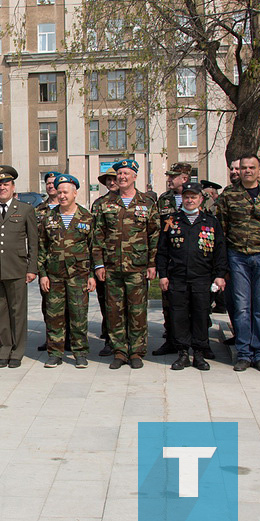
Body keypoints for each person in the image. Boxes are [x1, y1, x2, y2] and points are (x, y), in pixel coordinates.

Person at [91, 158, 159, 369]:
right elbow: (97, 236)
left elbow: (154, 235)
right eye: (119, 174)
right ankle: (119, 351)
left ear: (135, 177)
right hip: (111, 267)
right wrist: (99, 265)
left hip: (137, 267)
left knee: (137, 311)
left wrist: (152, 264)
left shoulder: (147, 203)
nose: (121, 177)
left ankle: (137, 352)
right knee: (114, 311)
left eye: (126, 174)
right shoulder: (104, 204)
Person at [216, 155, 260, 372]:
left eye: (251, 167)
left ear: (259, 169)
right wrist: (223, 265)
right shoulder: (229, 195)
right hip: (238, 257)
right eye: (243, 167)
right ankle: (244, 353)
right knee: (242, 307)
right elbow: (221, 231)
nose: (247, 171)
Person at [157, 182, 227, 371]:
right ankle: (183, 353)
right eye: (187, 197)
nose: (190, 200)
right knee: (179, 315)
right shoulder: (171, 221)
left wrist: (220, 275)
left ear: (200, 199)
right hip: (177, 277)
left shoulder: (211, 222)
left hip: (202, 277)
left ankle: (199, 352)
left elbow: (220, 251)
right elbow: (162, 250)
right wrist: (162, 275)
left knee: (200, 315)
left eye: (193, 197)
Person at [0, 165, 38, 368]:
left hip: (17, 268)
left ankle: (17, 352)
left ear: (13, 187)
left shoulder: (25, 209)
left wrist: (32, 268)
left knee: (17, 312)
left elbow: (34, 242)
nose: (2, 188)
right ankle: (3, 351)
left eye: (6, 184)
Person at [38, 174, 94, 368]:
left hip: (79, 276)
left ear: (75, 193)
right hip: (54, 276)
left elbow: (94, 247)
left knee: (79, 315)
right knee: (54, 316)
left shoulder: (86, 217)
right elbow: (42, 247)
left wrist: (92, 275)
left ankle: (80, 353)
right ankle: (55, 353)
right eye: (59, 192)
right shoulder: (48, 217)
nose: (61, 196)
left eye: (65, 192)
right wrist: (42, 274)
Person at [153, 162, 192, 357]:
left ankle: (199, 342)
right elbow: (161, 228)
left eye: (172, 176)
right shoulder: (164, 199)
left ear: (184, 178)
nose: (169, 179)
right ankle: (171, 339)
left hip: (194, 258)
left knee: (195, 303)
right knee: (168, 302)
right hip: (171, 258)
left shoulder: (201, 197)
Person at [92, 167, 118, 356]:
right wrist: (97, 263)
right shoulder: (100, 203)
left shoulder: (141, 201)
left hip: (131, 263)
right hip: (106, 263)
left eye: (114, 178)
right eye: (108, 179)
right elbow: (95, 235)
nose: (111, 182)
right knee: (107, 303)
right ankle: (110, 339)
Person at [34, 171, 61, 352]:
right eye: (48, 183)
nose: (50, 186)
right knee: (48, 305)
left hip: (67, 265)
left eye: (53, 183)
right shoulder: (39, 210)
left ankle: (68, 339)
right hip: (46, 264)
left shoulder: (70, 207)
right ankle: (51, 338)